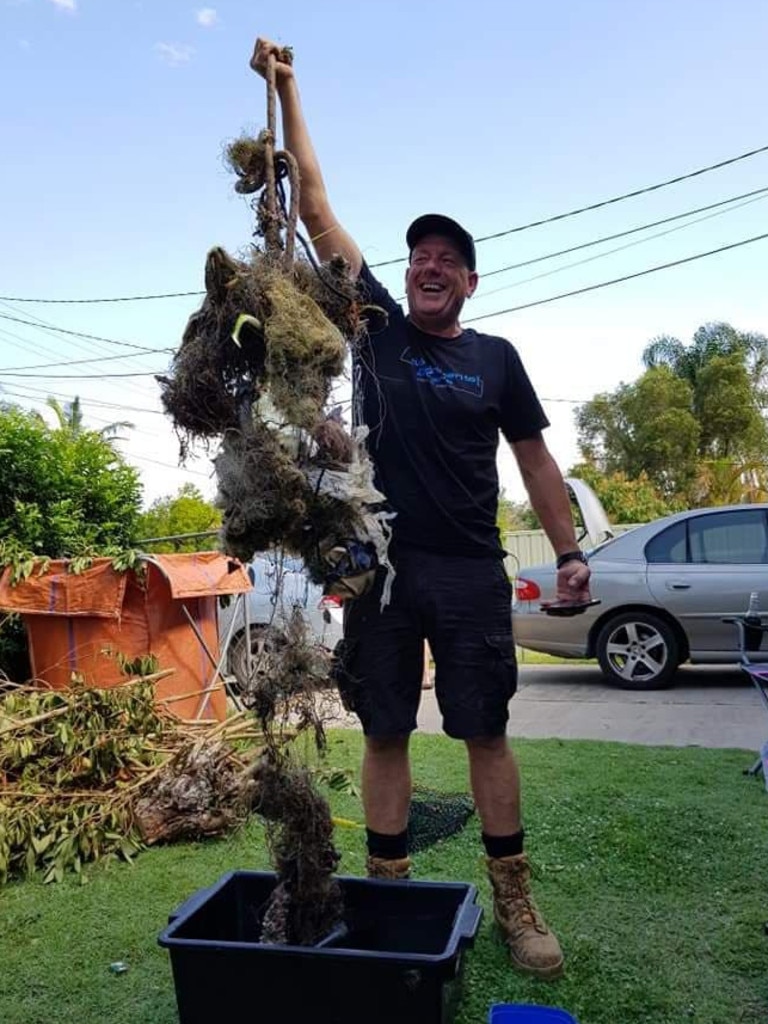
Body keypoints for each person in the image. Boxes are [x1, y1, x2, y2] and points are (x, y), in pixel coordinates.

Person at [251, 38, 592, 980]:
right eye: (418, 256)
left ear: (472, 281)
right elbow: (316, 211)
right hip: (384, 571)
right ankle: (389, 893)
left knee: (486, 730)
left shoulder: (496, 358)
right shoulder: (379, 336)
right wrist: (290, 88)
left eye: (447, 259)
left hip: (471, 570)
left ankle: (518, 902)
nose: (428, 265)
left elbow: (533, 456)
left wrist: (568, 553)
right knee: (386, 730)